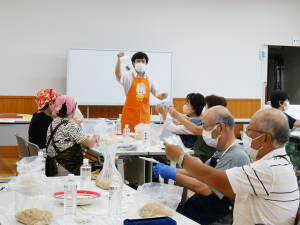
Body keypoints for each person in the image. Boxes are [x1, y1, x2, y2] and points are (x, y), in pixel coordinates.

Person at [164, 108, 299, 225]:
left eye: (249, 129)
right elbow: (231, 191)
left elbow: (214, 179)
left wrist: (181, 158)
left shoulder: (269, 169)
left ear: (266, 139)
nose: (245, 134)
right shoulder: (278, 164)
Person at [154, 106, 250, 224]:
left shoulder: (235, 156)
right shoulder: (221, 151)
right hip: (205, 208)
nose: (203, 132)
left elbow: (206, 188)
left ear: (220, 128)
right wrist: (171, 169)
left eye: (205, 127)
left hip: (217, 218)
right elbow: (201, 173)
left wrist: (174, 174)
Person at [115, 51, 168, 131]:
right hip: (129, 117)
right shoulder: (128, 77)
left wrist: (163, 95)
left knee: (143, 140)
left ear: (146, 64)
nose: (141, 63)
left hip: (144, 117)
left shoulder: (150, 80)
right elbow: (118, 74)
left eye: (143, 61)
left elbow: (158, 95)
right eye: (138, 61)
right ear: (133, 63)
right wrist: (119, 60)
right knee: (128, 140)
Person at [46, 95, 97, 176]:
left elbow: (65, 129)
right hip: (68, 169)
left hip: (53, 167)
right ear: (73, 109)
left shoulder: (53, 123)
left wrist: (75, 124)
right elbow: (90, 144)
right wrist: (95, 137)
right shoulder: (71, 126)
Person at [168, 94, 227, 162]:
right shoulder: (208, 121)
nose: (204, 111)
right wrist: (175, 113)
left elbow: (195, 129)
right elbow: (188, 119)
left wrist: (177, 115)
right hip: (197, 157)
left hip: (205, 160)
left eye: (206, 108)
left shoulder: (217, 125)